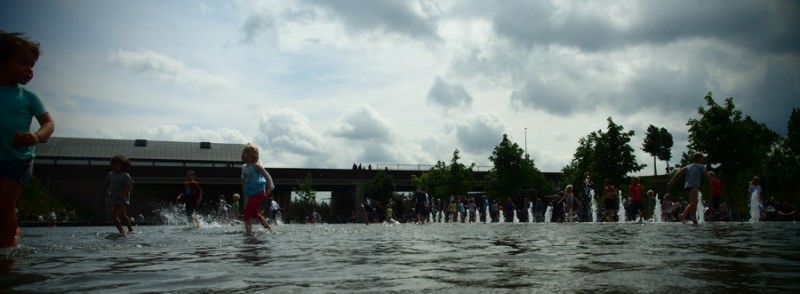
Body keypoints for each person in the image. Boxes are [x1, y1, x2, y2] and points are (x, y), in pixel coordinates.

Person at [0, 31, 55, 248]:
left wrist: (35, 136)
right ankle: (12, 233)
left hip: (18, 159)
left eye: (32, 65)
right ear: (2, 63)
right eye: (23, 63)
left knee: (4, 203)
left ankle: (7, 254)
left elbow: (48, 123)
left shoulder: (28, 97)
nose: (30, 70)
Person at [668, 152, 711, 224]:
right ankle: (683, 214)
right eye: (702, 159)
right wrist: (711, 180)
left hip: (687, 186)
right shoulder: (701, 166)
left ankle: (693, 218)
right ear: (700, 159)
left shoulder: (688, 166)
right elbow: (706, 174)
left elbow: (679, 172)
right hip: (694, 186)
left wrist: (672, 180)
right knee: (694, 202)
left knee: (693, 202)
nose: (703, 161)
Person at [241, 143, 273, 235]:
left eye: (245, 153)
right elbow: (244, 179)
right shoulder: (244, 167)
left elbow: (267, 176)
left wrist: (269, 187)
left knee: (247, 211)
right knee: (254, 213)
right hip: (251, 192)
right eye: (243, 153)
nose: (242, 154)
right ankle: (268, 228)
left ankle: (249, 231)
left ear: (252, 155)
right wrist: (243, 187)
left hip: (259, 192)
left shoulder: (256, 166)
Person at [104, 154, 135, 236]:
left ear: (123, 166)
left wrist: (123, 193)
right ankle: (121, 230)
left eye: (116, 165)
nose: (113, 166)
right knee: (113, 215)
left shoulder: (125, 175)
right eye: (112, 165)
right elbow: (106, 184)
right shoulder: (110, 174)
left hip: (123, 197)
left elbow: (130, 186)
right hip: (113, 196)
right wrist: (106, 191)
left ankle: (130, 229)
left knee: (122, 213)